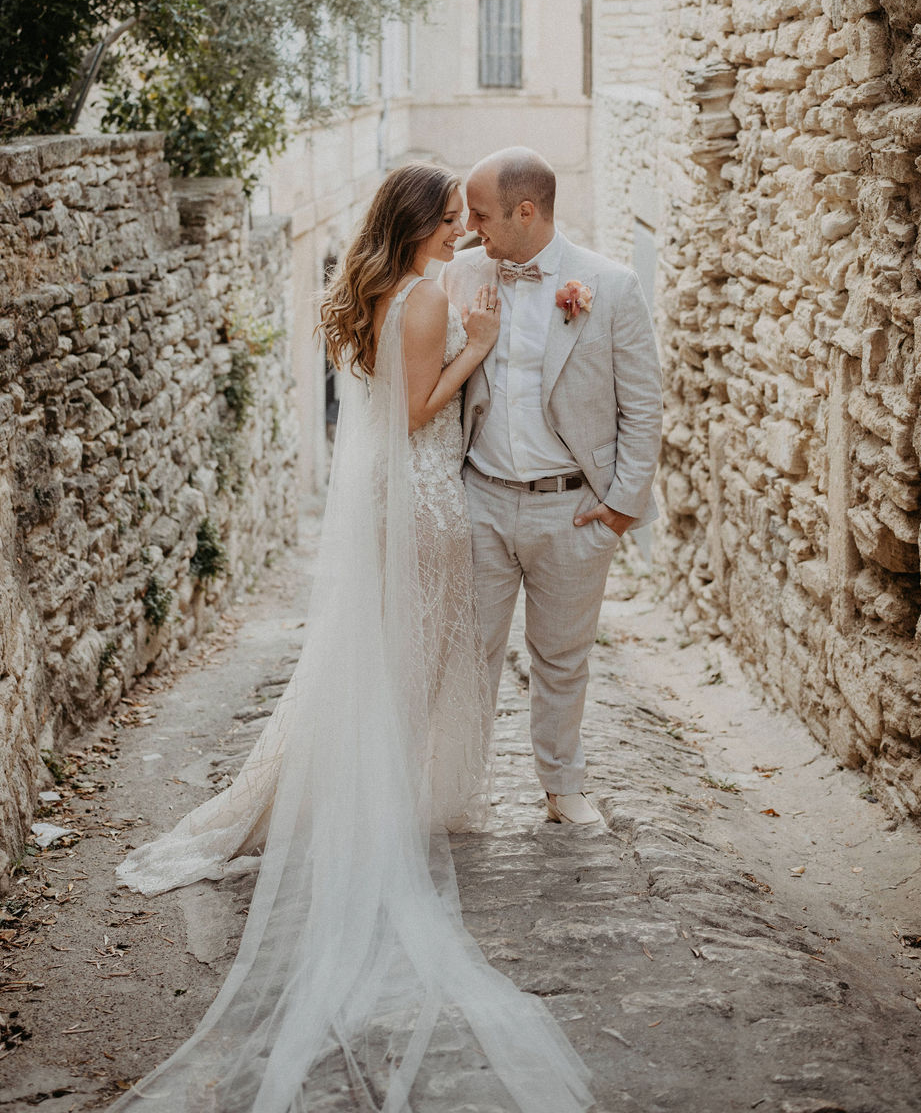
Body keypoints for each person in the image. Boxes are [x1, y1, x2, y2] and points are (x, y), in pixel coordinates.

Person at [110, 163, 593, 1112]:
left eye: (470, 217)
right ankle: (378, 815)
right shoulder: (416, 302)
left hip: (404, 497)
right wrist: (481, 346)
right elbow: (418, 411)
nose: (464, 229)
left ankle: (351, 794)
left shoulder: (392, 288)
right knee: (409, 665)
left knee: (387, 662)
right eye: (452, 218)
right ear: (418, 225)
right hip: (421, 501)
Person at [444, 147, 662, 826]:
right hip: (480, 497)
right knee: (468, 656)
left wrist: (621, 506)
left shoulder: (611, 286)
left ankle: (562, 787)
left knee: (562, 660)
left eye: (482, 216)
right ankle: (460, 794)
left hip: (573, 509)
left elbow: (644, 405)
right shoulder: (460, 275)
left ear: (527, 211)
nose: (471, 229)